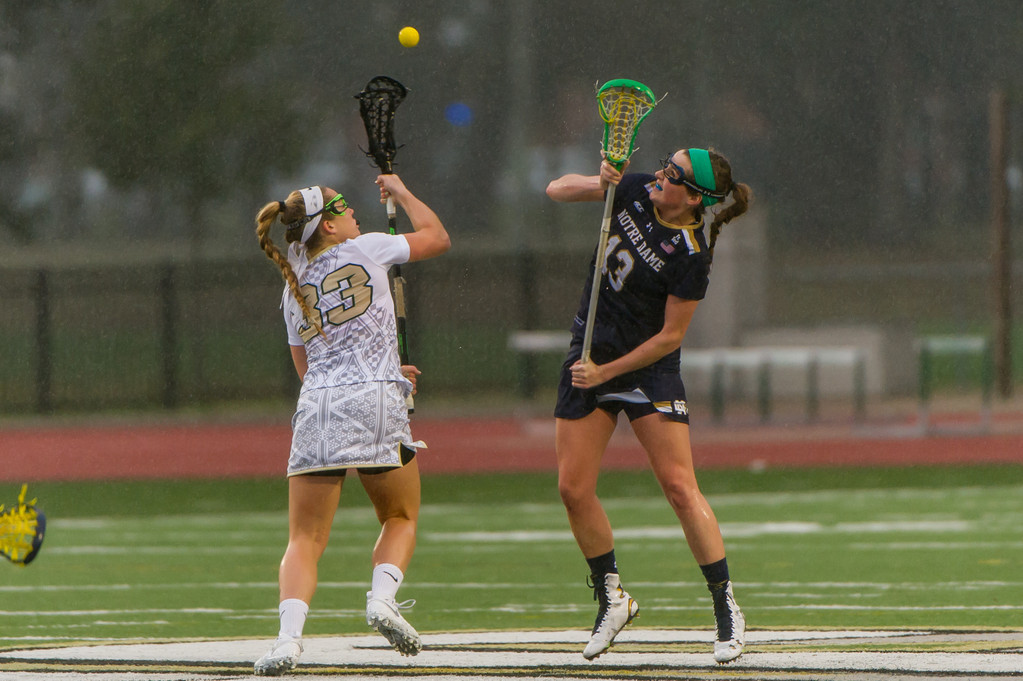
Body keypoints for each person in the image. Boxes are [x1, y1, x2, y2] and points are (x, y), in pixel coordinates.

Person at [546, 148, 752, 664]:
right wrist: (600, 180)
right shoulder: (635, 188)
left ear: (695, 198)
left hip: (644, 369)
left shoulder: (691, 253)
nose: (661, 175)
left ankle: (725, 604)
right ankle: (612, 597)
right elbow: (556, 190)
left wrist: (607, 374)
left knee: (680, 487)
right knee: (573, 489)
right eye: (665, 165)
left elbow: (668, 338)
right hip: (590, 349)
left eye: (673, 174)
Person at [251, 175, 451, 676]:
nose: (356, 212)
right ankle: (382, 599)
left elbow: (308, 367)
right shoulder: (368, 248)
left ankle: (287, 642)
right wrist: (403, 193)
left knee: (304, 539)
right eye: (345, 206)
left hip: (317, 404)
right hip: (377, 399)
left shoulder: (291, 285)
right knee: (400, 516)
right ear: (330, 223)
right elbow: (437, 236)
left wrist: (380, 365)